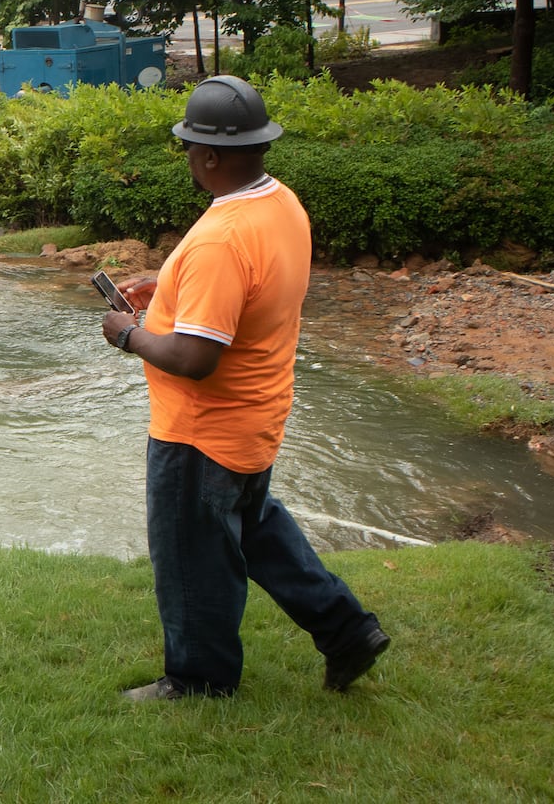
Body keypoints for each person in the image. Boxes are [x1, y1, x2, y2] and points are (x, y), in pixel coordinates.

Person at [100, 75, 390, 701]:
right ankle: (347, 630)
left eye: (187, 147)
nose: (185, 158)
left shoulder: (222, 238)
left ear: (207, 156)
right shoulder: (280, 204)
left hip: (200, 432)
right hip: (257, 415)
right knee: (255, 531)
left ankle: (198, 680)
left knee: (192, 558)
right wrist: (168, 285)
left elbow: (195, 356)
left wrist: (127, 333)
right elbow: (247, 289)